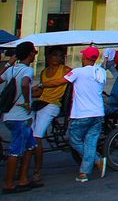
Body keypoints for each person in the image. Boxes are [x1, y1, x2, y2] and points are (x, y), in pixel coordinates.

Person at [40, 46, 108, 183]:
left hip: (82, 114)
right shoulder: (101, 72)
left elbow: (59, 82)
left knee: (75, 140)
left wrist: (42, 85)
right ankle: (84, 173)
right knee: (90, 142)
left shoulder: (78, 72)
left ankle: (97, 160)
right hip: (98, 113)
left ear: (84, 58)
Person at [2, 41, 37, 193]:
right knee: (15, 150)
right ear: (30, 54)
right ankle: (9, 184)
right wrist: (28, 101)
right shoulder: (27, 71)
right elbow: (24, 84)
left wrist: (9, 64)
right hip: (20, 116)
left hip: (9, 115)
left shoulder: (12, 70)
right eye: (34, 52)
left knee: (30, 146)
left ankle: (23, 179)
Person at [32, 46, 69, 185]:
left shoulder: (65, 70)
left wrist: (42, 84)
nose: (57, 58)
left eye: (60, 55)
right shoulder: (44, 72)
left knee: (37, 136)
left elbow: (61, 81)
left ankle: (37, 170)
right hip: (41, 102)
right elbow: (39, 92)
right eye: (54, 55)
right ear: (49, 57)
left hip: (53, 104)